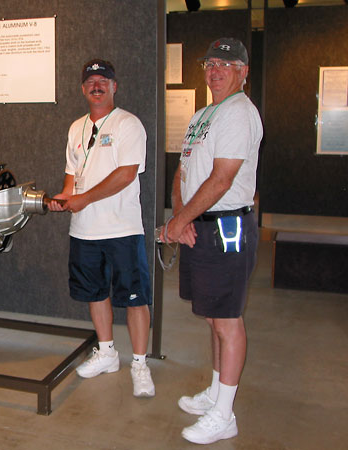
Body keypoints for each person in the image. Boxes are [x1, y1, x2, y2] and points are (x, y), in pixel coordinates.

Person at [160, 38, 262, 444]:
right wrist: (179, 217)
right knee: (213, 317)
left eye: (226, 63)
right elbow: (184, 171)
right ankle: (217, 393)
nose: (215, 69)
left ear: (243, 71)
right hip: (200, 225)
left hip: (227, 228)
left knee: (228, 319)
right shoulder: (203, 114)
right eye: (211, 62)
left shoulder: (239, 113)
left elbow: (221, 179)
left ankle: (225, 414)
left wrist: (179, 221)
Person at [48, 59, 154, 398]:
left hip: (122, 228)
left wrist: (85, 199)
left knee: (135, 298)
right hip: (84, 229)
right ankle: (107, 352)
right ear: (83, 88)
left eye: (103, 80)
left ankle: (140, 363)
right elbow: (71, 173)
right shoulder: (75, 126)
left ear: (114, 86)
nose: (97, 85)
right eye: (91, 80)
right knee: (96, 293)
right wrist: (65, 197)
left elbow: (126, 174)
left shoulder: (129, 124)